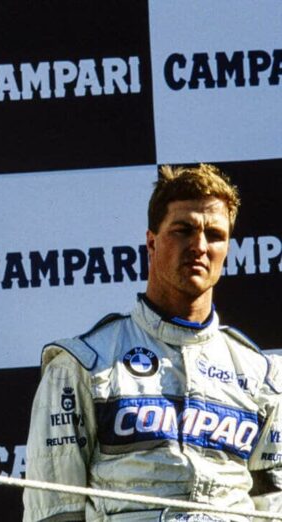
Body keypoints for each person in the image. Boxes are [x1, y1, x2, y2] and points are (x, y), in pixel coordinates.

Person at [23, 164, 282, 521]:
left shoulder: (263, 377)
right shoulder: (82, 365)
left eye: (215, 235)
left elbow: (273, 507)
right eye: (183, 230)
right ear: (151, 242)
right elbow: (54, 512)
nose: (199, 246)